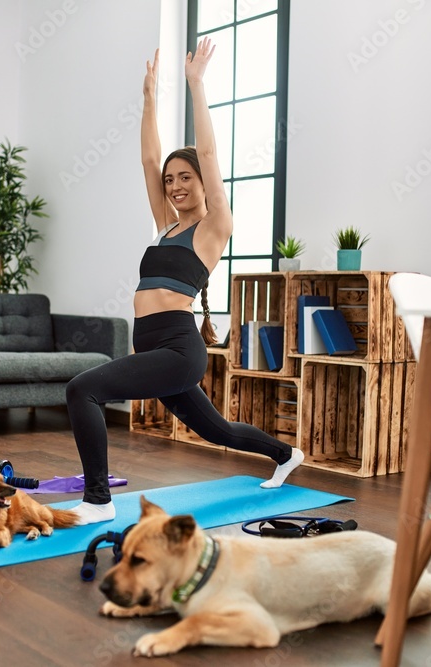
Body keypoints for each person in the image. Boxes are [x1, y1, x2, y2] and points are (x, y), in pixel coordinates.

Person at [65, 38, 305, 525]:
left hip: (177, 348)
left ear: (202, 181)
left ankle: (98, 500)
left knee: (81, 390)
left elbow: (209, 153)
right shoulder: (165, 226)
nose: (174, 186)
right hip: (153, 346)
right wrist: (148, 100)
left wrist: (196, 84)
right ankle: (286, 455)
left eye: (185, 178)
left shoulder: (214, 227)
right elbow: (148, 161)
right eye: (170, 180)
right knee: (218, 431)